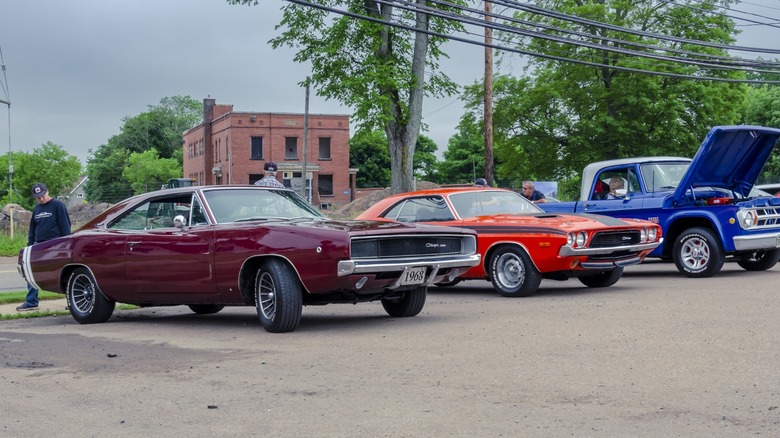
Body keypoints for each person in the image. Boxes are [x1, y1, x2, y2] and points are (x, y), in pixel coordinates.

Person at [17, 183, 71, 312]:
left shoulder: (58, 205)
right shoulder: (37, 209)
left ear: (47, 192)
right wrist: (30, 245)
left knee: (63, 273)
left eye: (42, 196)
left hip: (55, 244)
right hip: (39, 244)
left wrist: (66, 245)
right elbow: (33, 229)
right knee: (31, 271)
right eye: (38, 197)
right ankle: (31, 301)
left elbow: (65, 226)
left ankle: (71, 302)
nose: (41, 199)